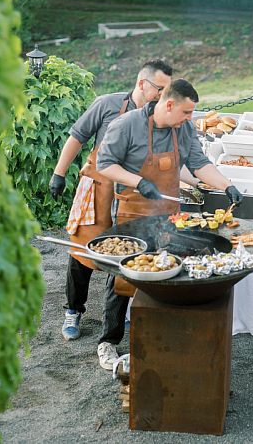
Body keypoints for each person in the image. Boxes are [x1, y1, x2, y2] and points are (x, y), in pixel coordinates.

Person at [95, 79, 243, 370]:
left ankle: (162, 332)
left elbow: (199, 163)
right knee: (123, 278)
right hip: (132, 213)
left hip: (168, 214)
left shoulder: (184, 127)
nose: (190, 120)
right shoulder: (126, 125)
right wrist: (139, 182)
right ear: (170, 104)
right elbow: (105, 164)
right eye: (187, 113)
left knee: (166, 270)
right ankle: (108, 342)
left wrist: (227, 185)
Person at [48, 59, 173, 341]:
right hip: (99, 187)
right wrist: (59, 173)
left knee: (125, 254)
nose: (162, 95)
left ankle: (115, 320)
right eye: (159, 89)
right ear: (142, 83)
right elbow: (77, 137)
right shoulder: (107, 104)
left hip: (132, 193)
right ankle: (73, 310)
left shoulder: (158, 117)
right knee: (82, 252)